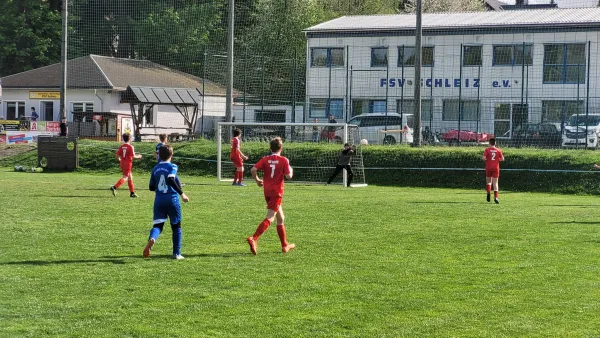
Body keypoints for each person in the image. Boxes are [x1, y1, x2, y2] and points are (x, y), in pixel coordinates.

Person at [247, 137, 295, 255]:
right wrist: (291, 170)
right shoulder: (284, 160)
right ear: (281, 148)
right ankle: (254, 238)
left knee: (281, 218)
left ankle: (284, 245)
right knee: (271, 217)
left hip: (267, 192)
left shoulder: (265, 159)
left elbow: (253, 169)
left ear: (270, 148)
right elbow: (289, 176)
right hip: (277, 192)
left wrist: (258, 180)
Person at [144, 145, 190, 259]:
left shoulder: (155, 168)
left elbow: (151, 187)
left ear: (159, 155)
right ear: (171, 155)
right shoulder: (172, 166)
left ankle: (152, 238)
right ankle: (176, 253)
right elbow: (170, 178)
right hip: (172, 199)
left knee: (158, 225)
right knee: (176, 226)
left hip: (159, 200)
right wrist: (182, 193)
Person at [111, 133, 142, 198]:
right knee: (125, 177)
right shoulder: (131, 147)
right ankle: (114, 187)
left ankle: (132, 193)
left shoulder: (122, 146)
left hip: (122, 163)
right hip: (128, 164)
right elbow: (133, 156)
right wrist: (139, 156)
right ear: (130, 138)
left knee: (130, 177)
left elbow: (117, 155)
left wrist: (120, 159)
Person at [482, 138, 504, 204]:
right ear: (495, 143)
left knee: (488, 181)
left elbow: (483, 158)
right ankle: (496, 197)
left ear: (489, 143)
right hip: (496, 168)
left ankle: (488, 191)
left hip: (488, 167)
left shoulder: (487, 150)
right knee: (495, 183)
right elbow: (502, 159)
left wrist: (486, 160)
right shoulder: (498, 150)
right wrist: (497, 160)